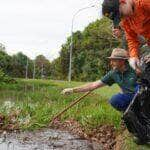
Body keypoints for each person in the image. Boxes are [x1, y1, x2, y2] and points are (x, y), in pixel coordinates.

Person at [62, 48, 138, 112]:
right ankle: (133, 116)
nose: (111, 63)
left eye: (114, 60)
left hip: (143, 97)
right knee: (115, 100)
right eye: (111, 60)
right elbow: (93, 85)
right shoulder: (113, 73)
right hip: (130, 97)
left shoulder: (135, 67)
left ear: (122, 61)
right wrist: (73, 90)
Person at [102, 0, 150, 71]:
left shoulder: (144, 3)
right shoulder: (126, 21)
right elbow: (132, 39)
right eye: (120, 17)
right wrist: (134, 56)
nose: (122, 18)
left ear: (123, 2)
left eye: (121, 14)